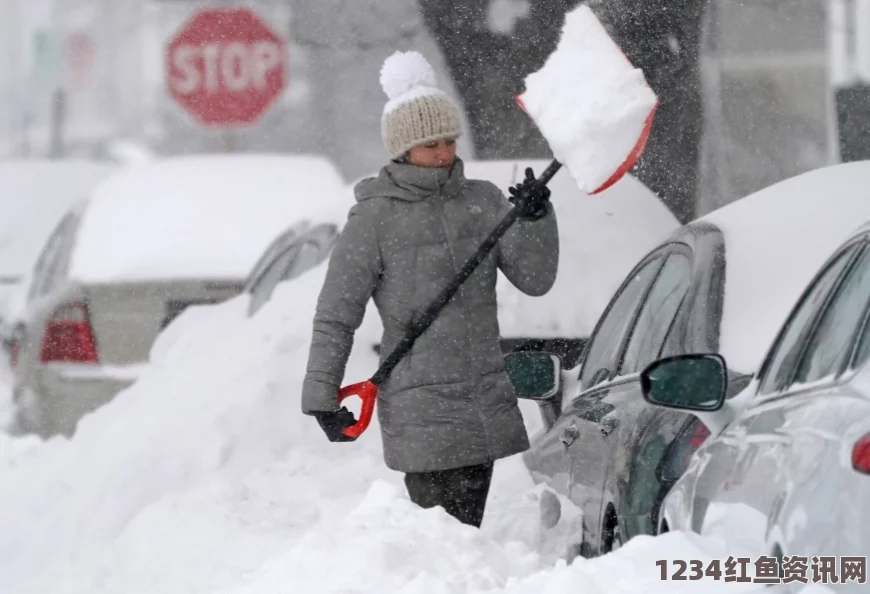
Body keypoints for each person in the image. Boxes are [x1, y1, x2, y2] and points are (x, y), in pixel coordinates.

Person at [301, 50, 559, 528]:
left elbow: (536, 280)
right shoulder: (374, 219)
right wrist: (321, 396)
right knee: (443, 540)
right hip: (421, 410)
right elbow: (337, 313)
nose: (442, 153)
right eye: (429, 145)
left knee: (465, 539)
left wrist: (536, 219)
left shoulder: (482, 201)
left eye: (447, 141)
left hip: (482, 400)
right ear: (401, 150)